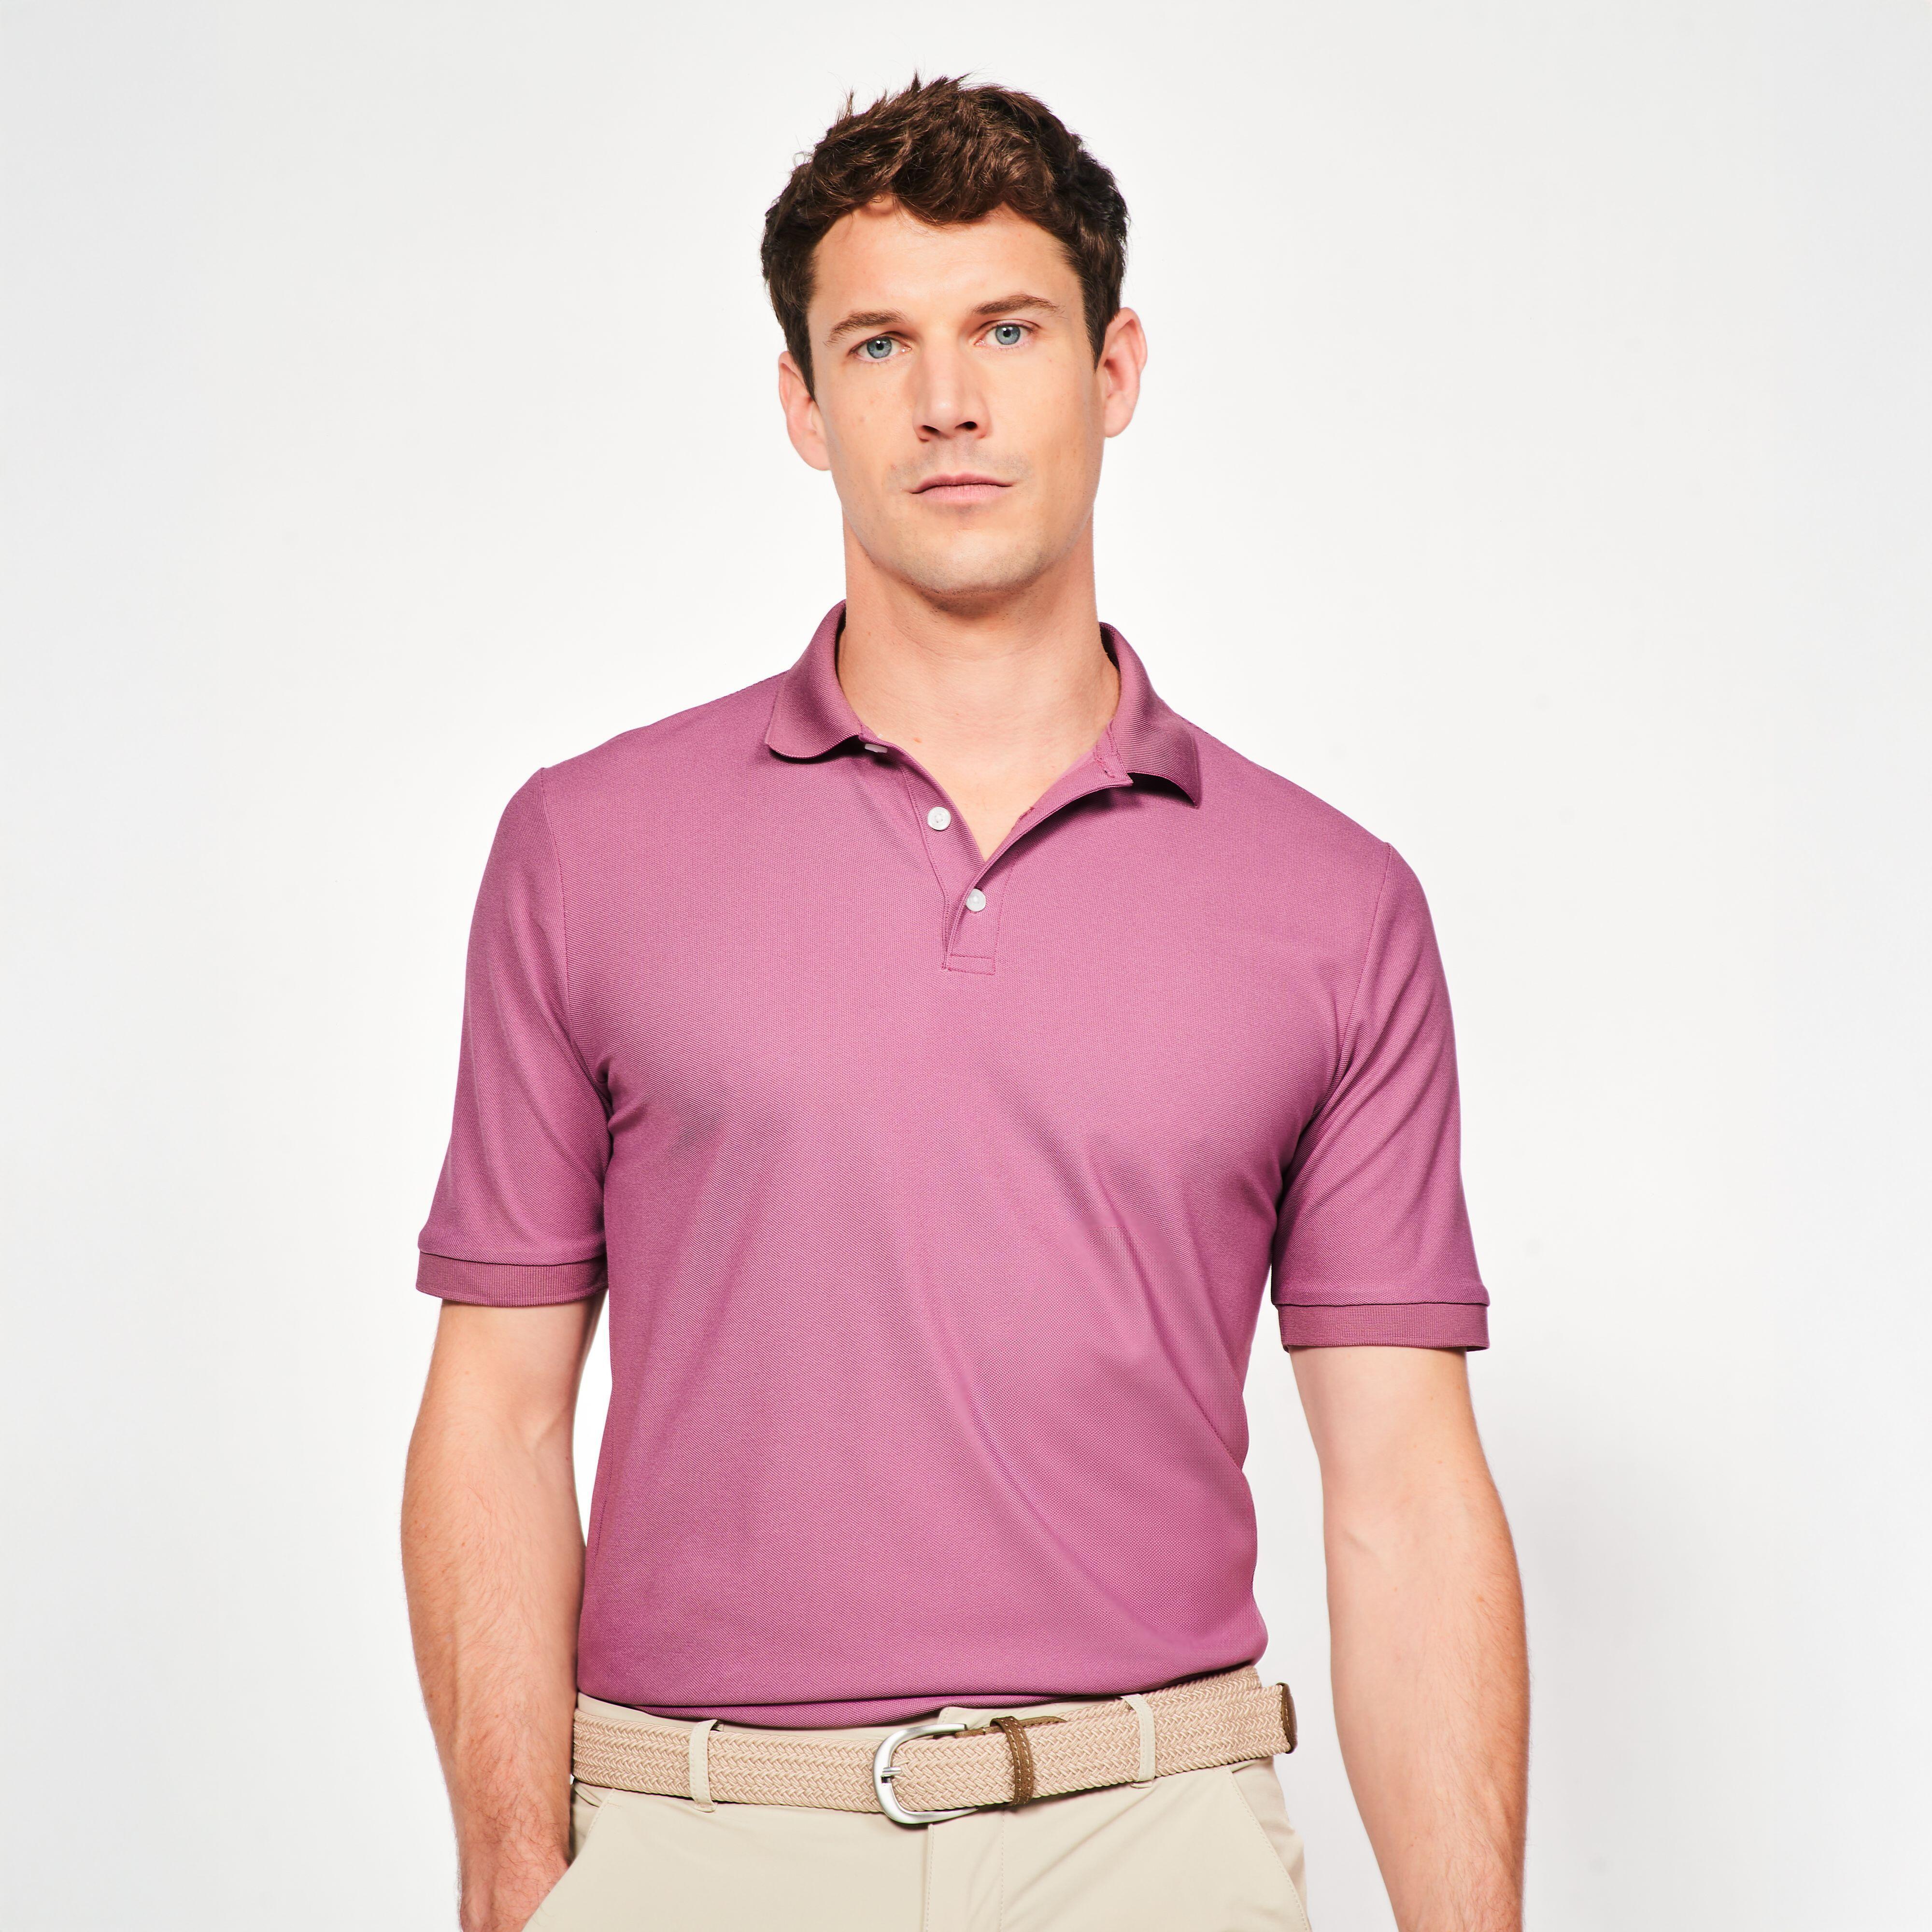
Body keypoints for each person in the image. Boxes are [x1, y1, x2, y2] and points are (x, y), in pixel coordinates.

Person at [401, 74, 1528, 1932]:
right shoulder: (588, 849)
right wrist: (519, 1887)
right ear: (802, 403)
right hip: (702, 1838)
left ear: (1115, 367)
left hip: (1153, 1840)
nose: (948, 400)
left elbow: (1403, 1490)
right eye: (879, 344)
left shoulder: (1334, 908)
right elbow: (498, 1418)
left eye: (1009, 329)